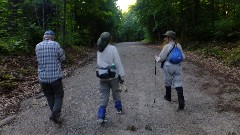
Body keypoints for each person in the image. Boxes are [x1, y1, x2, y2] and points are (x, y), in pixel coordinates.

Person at [36, 30, 65, 124]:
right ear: (52, 37)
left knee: (49, 96)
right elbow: (63, 58)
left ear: (44, 36)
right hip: (55, 77)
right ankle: (55, 115)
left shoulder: (37, 46)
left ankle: (54, 114)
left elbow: (38, 60)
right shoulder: (56, 45)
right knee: (59, 95)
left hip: (43, 78)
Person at [96, 32, 125, 123]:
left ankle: (101, 116)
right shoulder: (112, 48)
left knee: (103, 95)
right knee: (116, 93)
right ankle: (119, 109)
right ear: (109, 39)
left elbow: (99, 63)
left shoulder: (99, 49)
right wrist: (121, 75)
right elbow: (117, 63)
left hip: (102, 76)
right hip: (113, 76)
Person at [155, 30, 186, 110]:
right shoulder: (178, 45)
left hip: (168, 66)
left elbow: (161, 58)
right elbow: (183, 57)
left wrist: (156, 59)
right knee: (178, 83)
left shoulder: (167, 46)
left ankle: (168, 97)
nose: (164, 38)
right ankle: (181, 102)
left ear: (169, 38)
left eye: (165, 37)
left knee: (167, 81)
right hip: (178, 66)